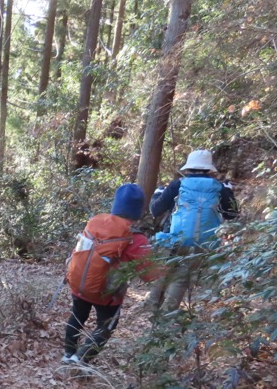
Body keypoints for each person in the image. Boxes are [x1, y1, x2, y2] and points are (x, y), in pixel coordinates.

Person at [62, 183, 160, 364]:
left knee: (77, 317)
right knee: (107, 325)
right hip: (106, 295)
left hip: (78, 285)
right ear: (138, 210)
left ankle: (68, 354)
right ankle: (81, 359)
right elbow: (150, 273)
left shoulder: (95, 223)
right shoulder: (136, 238)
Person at [144, 149, 239, 312]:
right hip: (203, 244)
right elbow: (232, 214)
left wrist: (157, 193)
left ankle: (150, 308)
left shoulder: (178, 185)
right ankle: (166, 316)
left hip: (174, 239)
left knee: (162, 271)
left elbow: (155, 210)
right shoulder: (219, 188)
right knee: (180, 279)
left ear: (188, 167)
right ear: (208, 169)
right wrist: (229, 192)